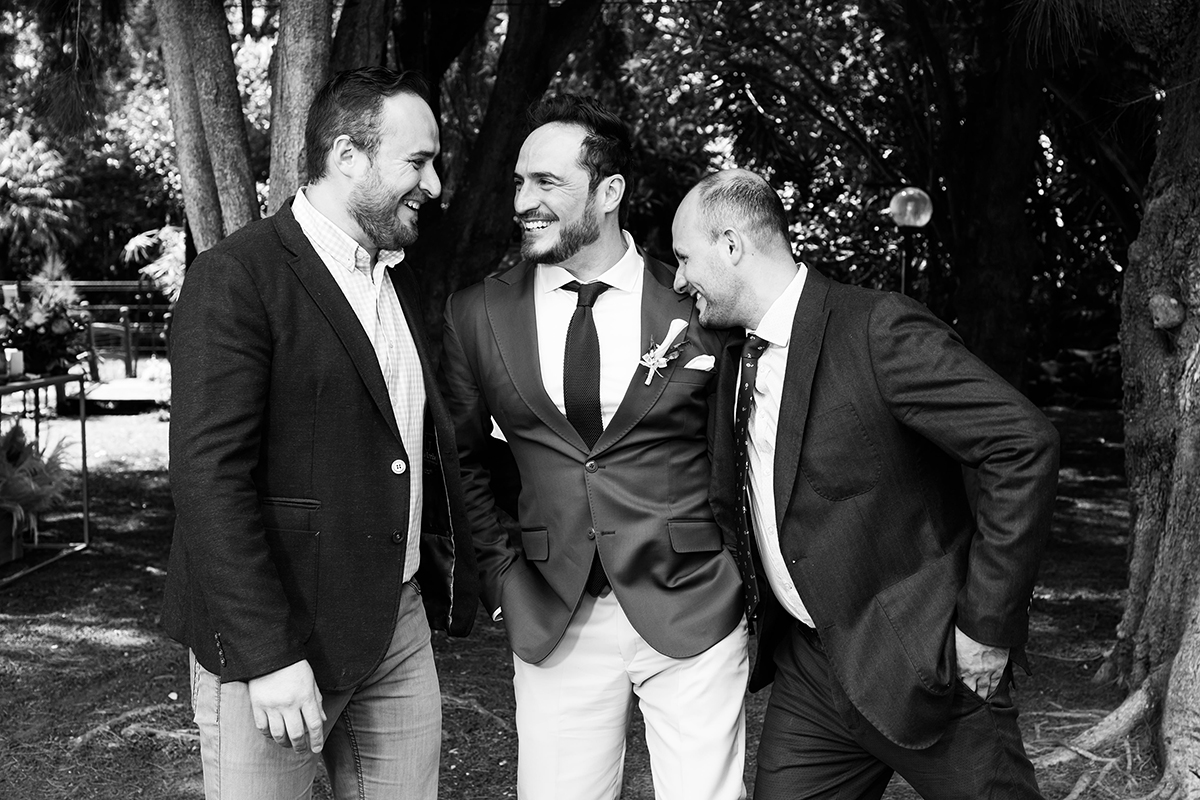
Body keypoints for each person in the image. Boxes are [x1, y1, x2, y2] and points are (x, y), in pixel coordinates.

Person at [671, 169, 1059, 800]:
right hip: (810, 672)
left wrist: (987, 627)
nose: (678, 280)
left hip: (927, 662)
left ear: (732, 245)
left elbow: (1022, 444)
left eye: (685, 258)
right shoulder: (736, 354)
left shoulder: (877, 327)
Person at [162, 67, 478, 800]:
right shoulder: (236, 276)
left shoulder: (395, 276)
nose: (433, 186)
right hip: (275, 639)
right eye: (418, 162)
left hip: (396, 621)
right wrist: (266, 655)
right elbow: (208, 479)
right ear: (346, 157)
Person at [439, 94, 748, 800]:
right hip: (553, 610)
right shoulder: (477, 312)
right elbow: (463, 461)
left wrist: (736, 569)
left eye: (547, 182)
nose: (524, 201)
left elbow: (735, 445)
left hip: (693, 600)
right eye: (519, 182)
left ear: (609, 192)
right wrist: (501, 579)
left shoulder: (694, 302)